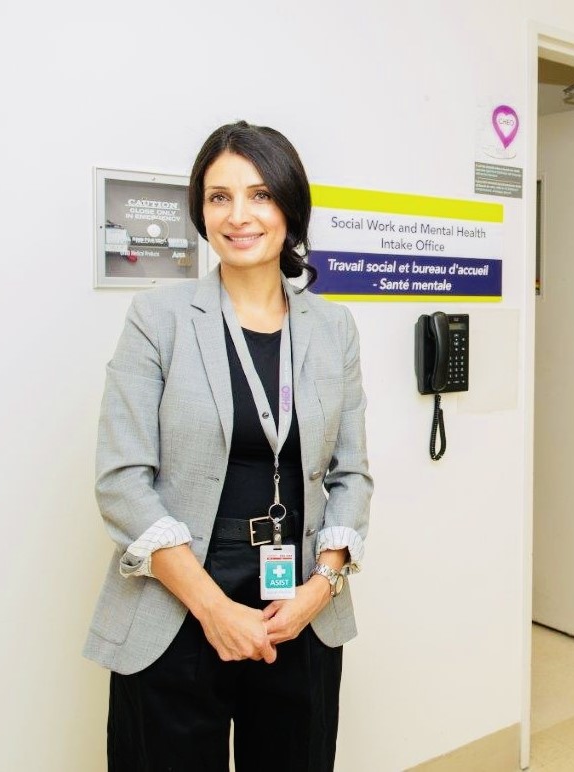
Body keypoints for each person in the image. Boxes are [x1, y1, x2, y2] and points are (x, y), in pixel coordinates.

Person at [84, 121, 373, 772]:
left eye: (259, 195)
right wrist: (215, 610)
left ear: (290, 209)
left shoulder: (333, 329)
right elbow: (121, 481)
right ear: (200, 211)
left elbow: (352, 475)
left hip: (296, 615)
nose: (238, 215)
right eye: (219, 197)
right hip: (178, 617)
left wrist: (321, 587)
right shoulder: (158, 319)